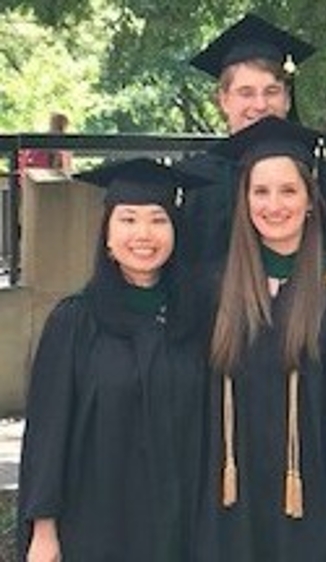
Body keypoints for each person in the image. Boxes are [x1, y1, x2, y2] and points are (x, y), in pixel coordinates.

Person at [198, 116, 326, 561]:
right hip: (228, 502)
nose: (274, 205)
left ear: (311, 201)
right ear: (243, 201)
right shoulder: (212, 287)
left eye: (288, 191)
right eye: (260, 192)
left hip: (310, 500)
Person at [18, 158, 209, 562]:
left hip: (181, 523)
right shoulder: (75, 321)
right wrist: (44, 529)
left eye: (158, 220)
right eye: (127, 219)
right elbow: (48, 435)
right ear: (107, 234)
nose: (143, 234)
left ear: (176, 231)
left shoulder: (197, 322)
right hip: (96, 524)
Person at [182, 13, 326, 267]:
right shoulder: (194, 181)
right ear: (223, 100)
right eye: (245, 93)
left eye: (271, 92)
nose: (260, 105)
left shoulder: (320, 177)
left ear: (287, 98)